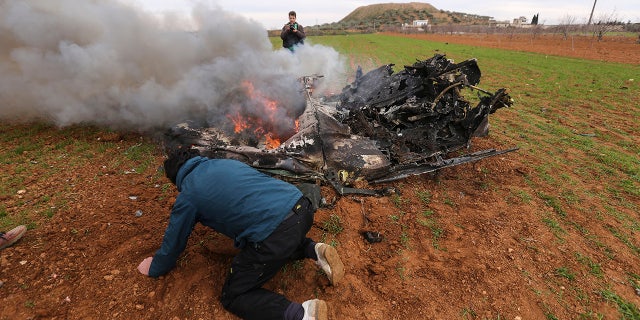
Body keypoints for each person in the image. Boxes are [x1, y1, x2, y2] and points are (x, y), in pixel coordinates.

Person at [138, 147, 344, 320]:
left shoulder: (189, 194)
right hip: (301, 208)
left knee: (235, 296)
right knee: (275, 236)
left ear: (176, 179)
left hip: (277, 233)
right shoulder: (224, 163)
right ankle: (314, 249)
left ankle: (302, 314)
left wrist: (156, 266)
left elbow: (174, 241)